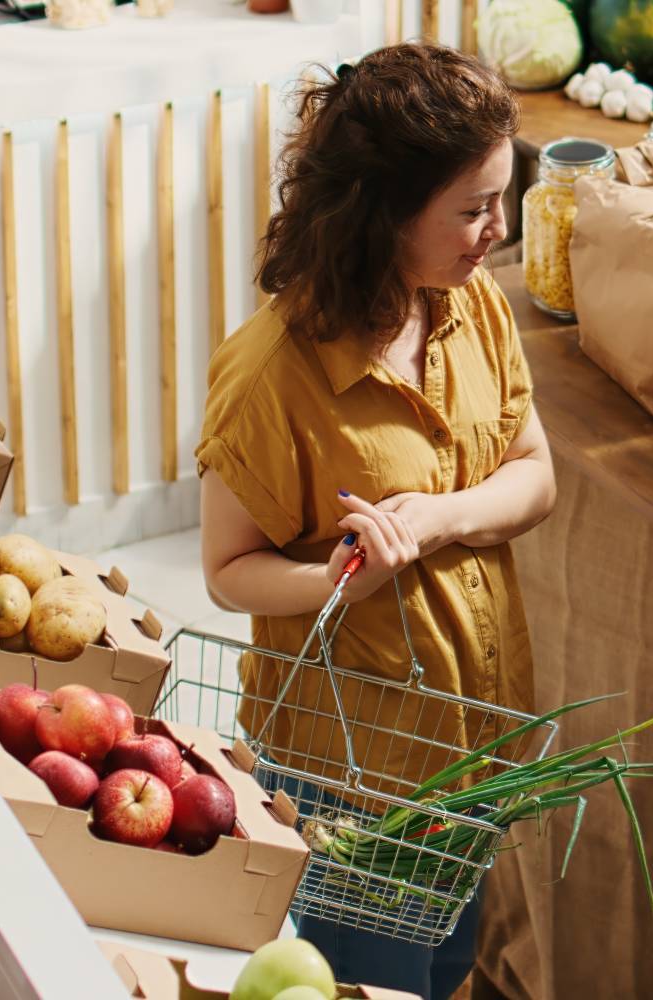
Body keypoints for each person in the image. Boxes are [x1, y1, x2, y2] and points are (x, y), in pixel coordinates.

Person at [193, 43, 553, 1000]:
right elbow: (227, 570)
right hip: (353, 776)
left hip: (469, 750)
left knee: (446, 968)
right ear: (385, 211)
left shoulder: (469, 307)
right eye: (473, 208)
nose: (497, 231)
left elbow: (535, 474)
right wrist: (340, 581)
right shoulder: (272, 373)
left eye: (501, 199)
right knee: (372, 986)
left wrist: (437, 519)